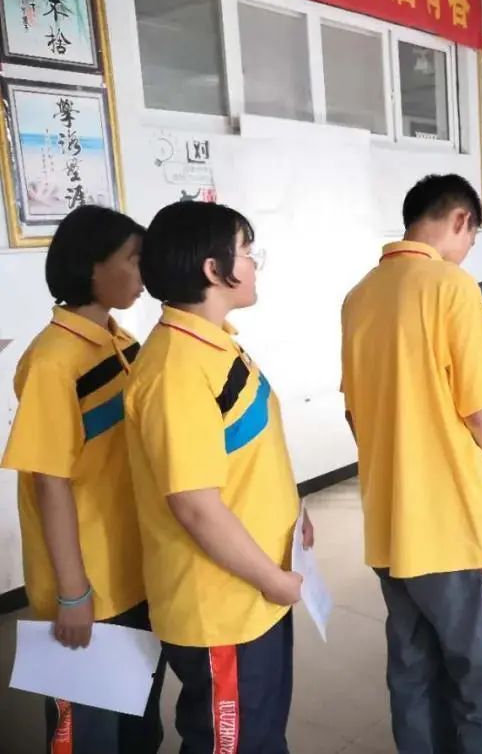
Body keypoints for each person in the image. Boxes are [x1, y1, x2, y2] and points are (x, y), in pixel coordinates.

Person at [340, 174, 482, 753]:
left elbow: (354, 414)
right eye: (472, 237)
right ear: (460, 220)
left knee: (414, 674)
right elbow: (480, 409)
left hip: (391, 525)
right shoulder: (451, 286)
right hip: (456, 529)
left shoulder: (360, 295)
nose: (468, 250)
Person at [125, 201, 312, 754]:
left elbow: (249, 452)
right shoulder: (176, 368)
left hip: (252, 589)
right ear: (214, 269)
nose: (254, 263)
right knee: (232, 743)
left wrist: (293, 514)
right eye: (246, 252)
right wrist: (272, 580)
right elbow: (195, 505)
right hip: (221, 605)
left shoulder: (214, 342)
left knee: (260, 735)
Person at [1, 205, 165, 753]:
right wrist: (72, 594)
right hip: (88, 582)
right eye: (134, 259)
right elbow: (49, 482)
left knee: (138, 725)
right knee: (90, 735)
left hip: (133, 568)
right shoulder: (52, 362)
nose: (144, 272)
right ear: (93, 267)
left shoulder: (119, 341)